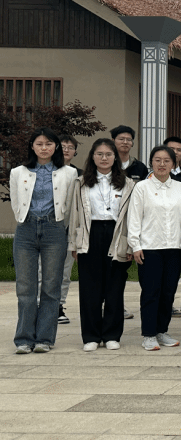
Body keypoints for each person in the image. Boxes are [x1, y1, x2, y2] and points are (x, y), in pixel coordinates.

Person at [10, 128, 79, 353]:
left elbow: (70, 205)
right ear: (32, 146)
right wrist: (25, 219)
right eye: (39, 144)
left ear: (56, 147)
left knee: (51, 286)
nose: (44, 148)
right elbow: (16, 202)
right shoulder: (18, 172)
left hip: (54, 229)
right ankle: (23, 338)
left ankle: (45, 338)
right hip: (26, 228)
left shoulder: (68, 173)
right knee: (25, 287)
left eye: (48, 144)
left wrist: (64, 230)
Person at [69, 138, 135, 351]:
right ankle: (91, 336)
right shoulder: (81, 183)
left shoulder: (128, 183)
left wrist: (131, 245)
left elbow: (132, 217)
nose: (104, 158)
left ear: (115, 157)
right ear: (92, 156)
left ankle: (112, 335)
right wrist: (74, 244)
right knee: (90, 288)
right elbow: (74, 214)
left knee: (115, 287)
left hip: (117, 234)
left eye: (108, 154)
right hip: (90, 234)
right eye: (99, 154)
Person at [127, 145, 181, 351]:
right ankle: (148, 334)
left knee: (168, 292)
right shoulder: (142, 188)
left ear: (173, 164)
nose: (162, 164)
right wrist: (135, 245)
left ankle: (162, 331)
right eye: (157, 160)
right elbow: (134, 218)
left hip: (174, 249)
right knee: (150, 292)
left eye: (166, 161)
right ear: (151, 162)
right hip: (150, 248)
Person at [53, 134, 80, 326]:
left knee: (65, 271)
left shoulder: (79, 174)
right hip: (50, 228)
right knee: (44, 270)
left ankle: (59, 306)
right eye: (63, 146)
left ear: (75, 152)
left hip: (70, 230)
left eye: (70, 147)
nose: (66, 150)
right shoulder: (48, 171)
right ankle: (42, 305)